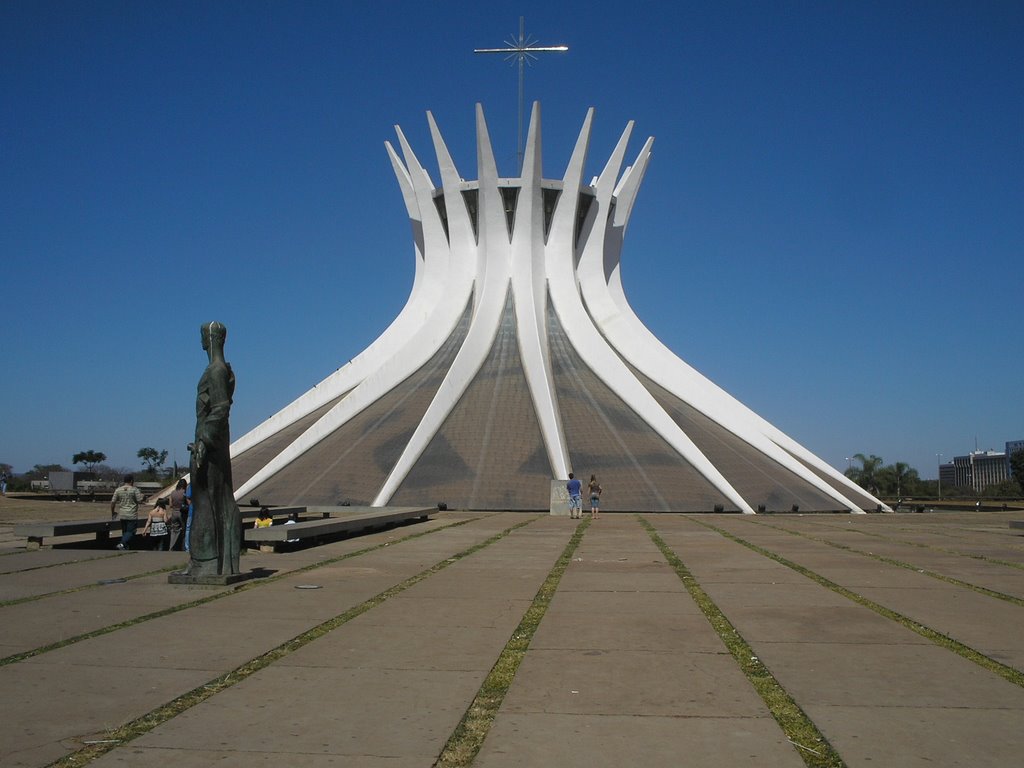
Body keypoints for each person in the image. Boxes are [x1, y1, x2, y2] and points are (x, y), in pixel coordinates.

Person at [186, 321, 242, 578]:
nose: (200, 341)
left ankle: (208, 562)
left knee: (207, 501)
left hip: (209, 445)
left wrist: (204, 442)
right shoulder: (221, 370)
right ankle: (216, 562)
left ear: (209, 338)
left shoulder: (216, 371)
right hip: (211, 442)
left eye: (201, 336)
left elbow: (220, 408)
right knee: (214, 500)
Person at [110, 475, 144, 550]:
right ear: (131, 481)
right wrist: (143, 497)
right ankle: (121, 544)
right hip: (131, 514)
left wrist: (113, 512)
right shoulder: (135, 490)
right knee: (131, 532)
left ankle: (125, 547)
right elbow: (139, 501)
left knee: (124, 532)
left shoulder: (118, 490)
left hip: (122, 514)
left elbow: (113, 502)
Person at [167, 479, 188, 551]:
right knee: (185, 530)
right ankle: (184, 547)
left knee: (174, 531)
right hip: (183, 512)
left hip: (174, 512)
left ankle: (171, 547)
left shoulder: (172, 493)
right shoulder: (184, 492)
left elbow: (170, 505)